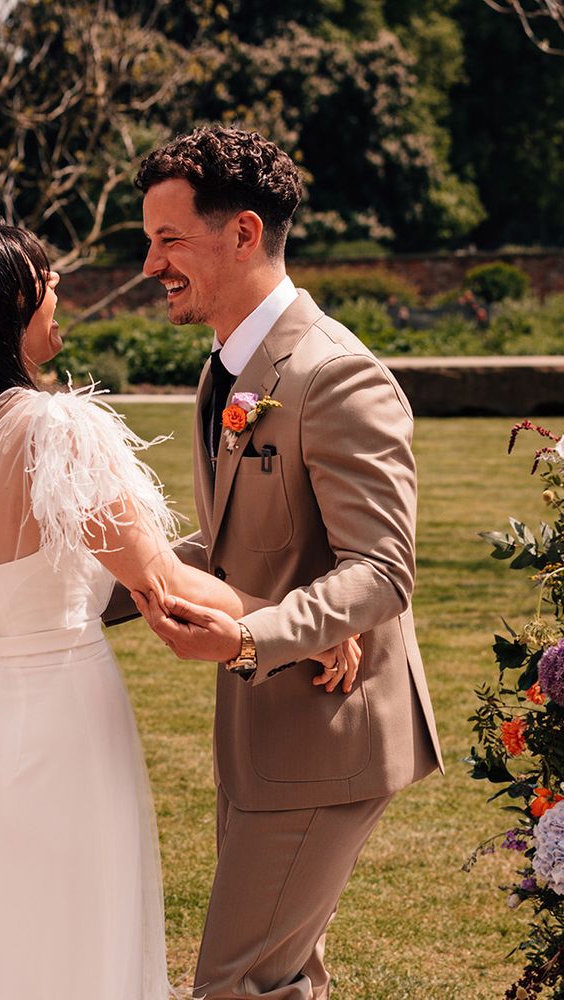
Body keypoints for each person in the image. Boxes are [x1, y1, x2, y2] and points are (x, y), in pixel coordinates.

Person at [0, 220, 359, 1000]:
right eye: (45, 278)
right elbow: (160, 577)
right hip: (63, 728)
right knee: (73, 938)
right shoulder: (51, 430)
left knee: (3, 942)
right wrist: (306, 627)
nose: (60, 288)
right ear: (9, 306)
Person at [126, 126, 444, 1000]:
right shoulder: (223, 371)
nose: (151, 265)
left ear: (243, 232)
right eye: (148, 241)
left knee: (233, 983)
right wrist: (97, 581)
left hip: (326, 734)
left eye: (169, 240)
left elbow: (381, 570)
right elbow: (227, 544)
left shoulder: (336, 375)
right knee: (282, 979)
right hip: (265, 741)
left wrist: (248, 637)